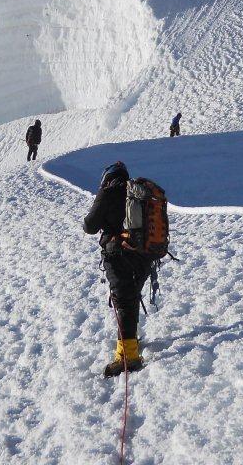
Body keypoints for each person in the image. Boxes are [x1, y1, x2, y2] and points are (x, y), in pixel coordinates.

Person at [84, 161, 151, 377]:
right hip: (143, 254)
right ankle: (130, 344)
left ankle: (128, 357)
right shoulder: (138, 193)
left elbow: (90, 225)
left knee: (123, 301)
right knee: (131, 297)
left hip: (118, 254)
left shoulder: (109, 191)